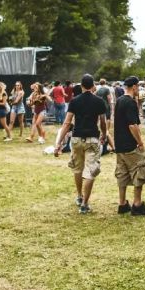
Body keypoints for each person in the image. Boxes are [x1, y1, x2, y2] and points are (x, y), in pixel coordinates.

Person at [54, 74, 108, 213]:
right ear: (93, 85)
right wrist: (104, 134)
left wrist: (58, 143)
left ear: (82, 86)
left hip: (77, 138)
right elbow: (102, 121)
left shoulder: (74, 101)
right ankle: (85, 204)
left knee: (77, 169)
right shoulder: (99, 101)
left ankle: (79, 196)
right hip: (92, 139)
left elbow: (67, 123)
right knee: (90, 171)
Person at [113, 76, 145, 216]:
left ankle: (122, 203)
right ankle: (137, 204)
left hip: (119, 144)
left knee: (122, 173)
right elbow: (132, 125)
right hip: (130, 144)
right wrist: (140, 142)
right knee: (140, 169)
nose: (140, 89)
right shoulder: (130, 102)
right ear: (134, 87)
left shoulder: (119, 100)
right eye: (139, 87)